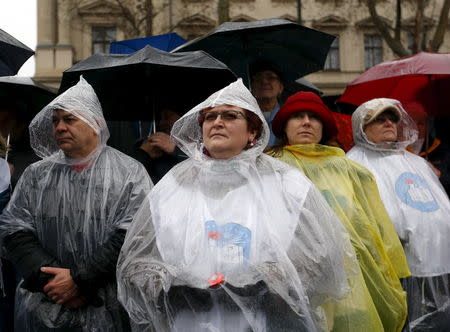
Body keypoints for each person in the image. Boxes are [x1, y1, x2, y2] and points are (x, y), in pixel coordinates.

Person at [117, 79, 357, 332]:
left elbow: (320, 257)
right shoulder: (171, 186)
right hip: (188, 320)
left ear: (253, 131)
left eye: (230, 115)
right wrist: (174, 285)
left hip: (267, 321)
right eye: (210, 117)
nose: (217, 122)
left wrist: (258, 285)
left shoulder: (287, 184)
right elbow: (137, 259)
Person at [0, 76, 153, 332]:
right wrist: (54, 280)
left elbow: (135, 233)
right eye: (55, 120)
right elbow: (14, 231)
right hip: (45, 306)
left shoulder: (128, 173)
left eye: (69, 119)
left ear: (95, 124)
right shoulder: (37, 175)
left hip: (107, 307)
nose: (59, 127)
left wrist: (80, 281)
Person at [266, 91, 409, 332]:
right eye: (297, 116)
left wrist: (385, 271)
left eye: (314, 117)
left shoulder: (352, 170)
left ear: (324, 126)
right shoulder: (268, 168)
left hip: (353, 282)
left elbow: (374, 226)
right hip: (294, 284)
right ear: (284, 126)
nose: (306, 122)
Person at [347, 98, 450, 331]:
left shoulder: (416, 163)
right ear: (362, 127)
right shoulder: (352, 165)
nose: (388, 123)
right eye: (379, 119)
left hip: (438, 263)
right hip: (392, 271)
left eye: (392, 118)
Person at [130, 108, 187, 184]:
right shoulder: (151, 146)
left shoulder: (201, 145)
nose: (161, 123)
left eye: (166, 117)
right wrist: (144, 154)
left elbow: (201, 173)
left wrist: (175, 149)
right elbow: (128, 177)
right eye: (160, 119)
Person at [405, 101, 450, 196]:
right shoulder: (398, 151)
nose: (416, 127)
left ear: (427, 125)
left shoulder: (442, 149)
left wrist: (439, 175)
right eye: (412, 122)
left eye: (421, 123)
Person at [250, 59, 284, 146]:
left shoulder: (287, 119)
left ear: (280, 87)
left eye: (271, 77)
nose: (264, 81)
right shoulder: (245, 117)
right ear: (252, 88)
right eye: (258, 77)